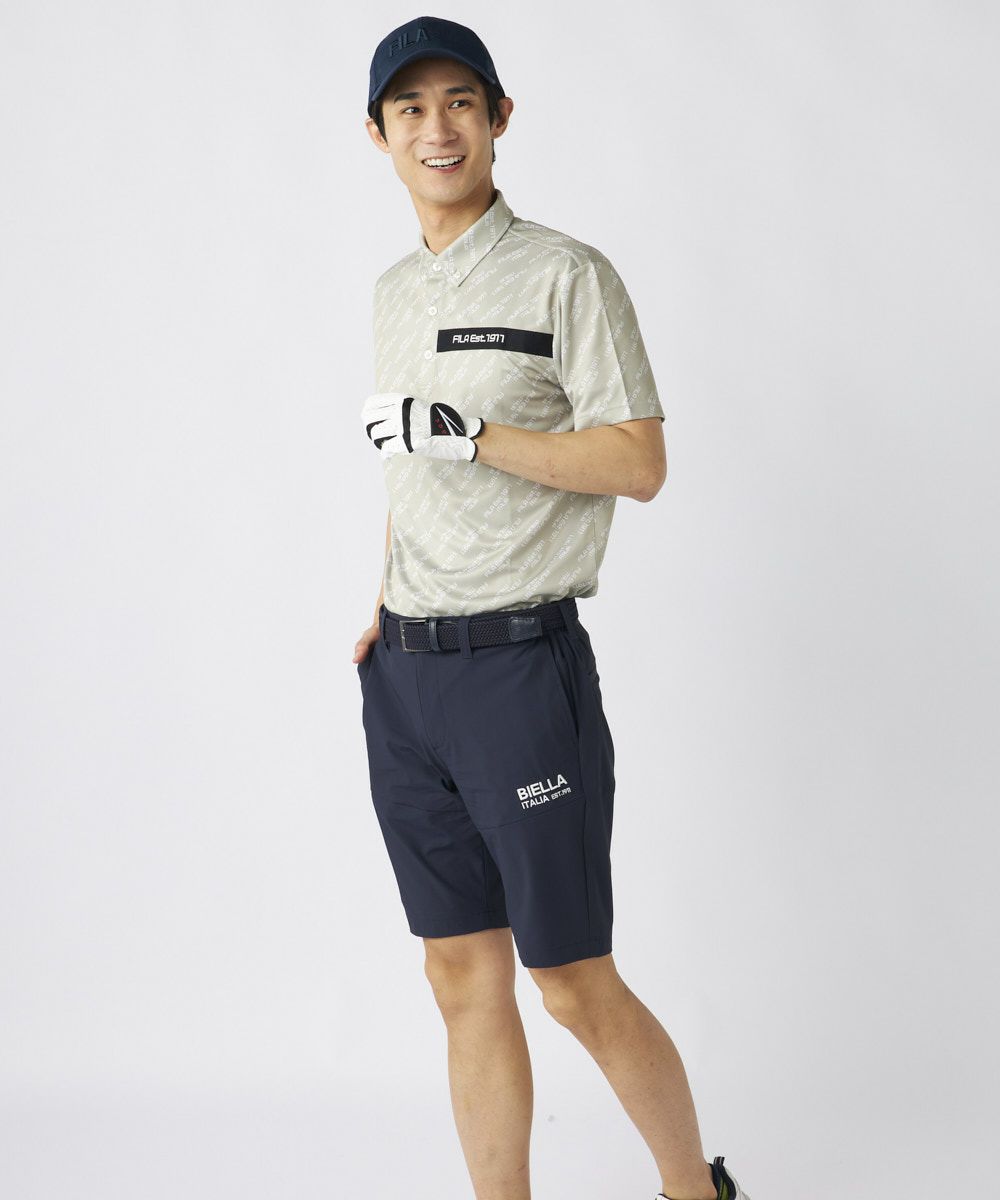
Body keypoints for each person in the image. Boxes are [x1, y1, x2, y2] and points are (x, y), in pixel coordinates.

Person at [353, 16, 752, 1200]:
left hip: (520, 677)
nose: (437, 128)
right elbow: (407, 466)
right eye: (411, 108)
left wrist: (474, 434)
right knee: (457, 977)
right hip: (406, 682)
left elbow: (638, 460)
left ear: (499, 118)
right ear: (377, 134)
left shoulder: (565, 274)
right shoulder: (391, 292)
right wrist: (383, 596)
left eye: (459, 102)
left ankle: (695, 1192)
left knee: (569, 978)